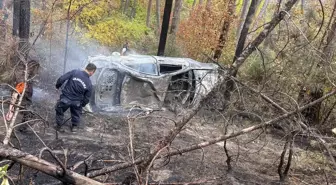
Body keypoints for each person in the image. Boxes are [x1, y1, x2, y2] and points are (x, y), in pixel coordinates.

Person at [54, 63, 96, 132]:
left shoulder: (75, 72)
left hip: (65, 98)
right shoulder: (89, 83)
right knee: (76, 113)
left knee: (59, 109)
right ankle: (74, 127)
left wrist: (57, 86)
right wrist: (82, 104)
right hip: (76, 102)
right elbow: (87, 98)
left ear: (86, 68)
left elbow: (62, 79)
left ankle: (59, 125)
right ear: (92, 72)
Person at [5, 60, 40, 132]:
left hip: (26, 100)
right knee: (30, 114)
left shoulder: (28, 79)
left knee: (30, 113)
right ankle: (20, 129)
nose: (37, 73)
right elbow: (15, 94)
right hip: (22, 101)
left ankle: (21, 128)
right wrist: (10, 111)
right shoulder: (23, 81)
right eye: (36, 70)